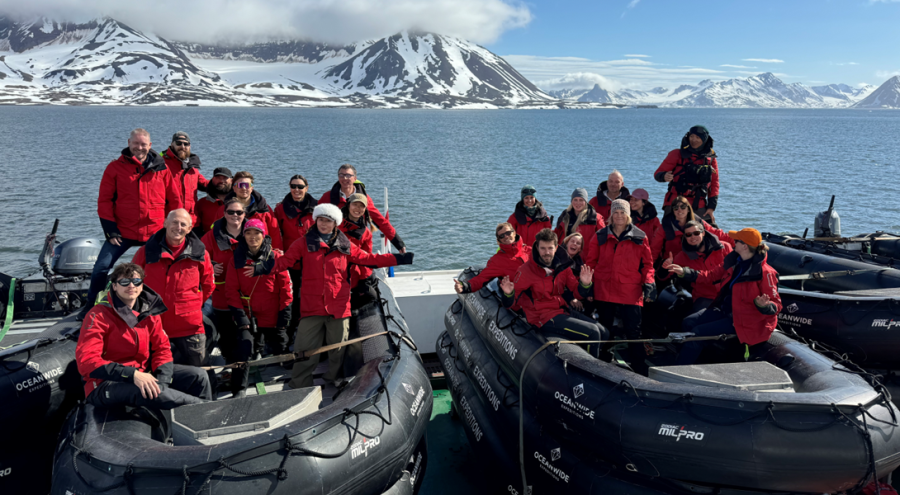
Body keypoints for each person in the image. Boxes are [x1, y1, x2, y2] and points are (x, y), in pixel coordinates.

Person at [246, 203, 414, 389]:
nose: (323, 224)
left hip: (339, 307)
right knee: (304, 349)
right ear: (315, 220)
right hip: (312, 306)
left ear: (335, 223)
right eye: (320, 220)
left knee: (338, 350)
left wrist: (400, 259)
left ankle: (332, 379)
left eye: (328, 221)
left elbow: (369, 260)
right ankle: (300, 384)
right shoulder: (303, 242)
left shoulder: (345, 245)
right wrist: (261, 268)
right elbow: (285, 262)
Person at [76, 263, 211, 409]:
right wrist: (132, 374)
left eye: (136, 281)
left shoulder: (148, 312)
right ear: (114, 286)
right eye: (124, 282)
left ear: (141, 285)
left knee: (198, 376)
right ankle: (211, 410)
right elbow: (87, 362)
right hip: (105, 383)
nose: (131, 286)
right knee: (155, 393)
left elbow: (162, 349)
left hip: (143, 373)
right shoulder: (98, 315)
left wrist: (163, 381)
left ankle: (206, 424)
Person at [81, 128, 181, 319]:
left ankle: (159, 305)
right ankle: (90, 307)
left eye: (143, 144)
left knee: (163, 269)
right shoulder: (114, 168)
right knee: (101, 268)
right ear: (129, 143)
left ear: (150, 145)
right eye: (136, 143)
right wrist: (110, 230)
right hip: (122, 232)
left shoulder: (162, 169)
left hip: (154, 232)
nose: (139, 147)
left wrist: (172, 227)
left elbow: (174, 201)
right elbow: (104, 201)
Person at [665, 228, 782, 365]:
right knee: (688, 322)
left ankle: (680, 368)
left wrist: (764, 306)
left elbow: (776, 305)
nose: (733, 242)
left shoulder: (766, 273)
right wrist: (684, 271)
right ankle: (694, 358)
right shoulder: (733, 262)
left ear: (744, 246)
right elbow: (710, 275)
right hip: (726, 312)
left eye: (736, 241)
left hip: (744, 320)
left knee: (697, 333)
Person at [499, 228, 606, 358]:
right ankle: (593, 370)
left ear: (556, 247)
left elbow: (577, 293)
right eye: (543, 248)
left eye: (550, 248)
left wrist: (585, 284)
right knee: (593, 333)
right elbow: (510, 303)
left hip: (561, 310)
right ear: (537, 248)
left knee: (603, 332)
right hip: (542, 317)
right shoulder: (526, 271)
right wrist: (508, 294)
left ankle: (601, 363)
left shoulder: (562, 266)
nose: (547, 253)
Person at [131, 209, 215, 367]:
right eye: (174, 222)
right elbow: (132, 282)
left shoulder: (200, 254)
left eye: (183, 224)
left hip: (189, 326)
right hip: (153, 324)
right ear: (165, 223)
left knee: (201, 369)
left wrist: (192, 305)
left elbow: (208, 285)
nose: (178, 227)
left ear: (190, 229)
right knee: (152, 369)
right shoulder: (145, 252)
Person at [582, 200, 655, 371]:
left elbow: (648, 265)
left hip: (630, 291)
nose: (619, 216)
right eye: (616, 212)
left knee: (633, 331)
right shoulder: (600, 235)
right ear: (611, 215)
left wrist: (649, 282)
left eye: (623, 212)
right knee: (606, 329)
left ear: (628, 214)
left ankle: (639, 368)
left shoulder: (640, 236)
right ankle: (604, 363)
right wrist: (588, 287)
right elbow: (591, 262)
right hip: (604, 289)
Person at [225, 219, 293, 396]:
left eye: (257, 233)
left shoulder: (276, 257)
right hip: (250, 316)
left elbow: (286, 289)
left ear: (264, 236)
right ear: (243, 235)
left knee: (281, 347)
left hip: (273, 315)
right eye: (248, 233)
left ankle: (291, 375)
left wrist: (283, 320)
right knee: (244, 348)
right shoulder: (236, 259)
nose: (253, 237)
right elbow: (231, 290)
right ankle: (239, 388)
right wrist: (241, 319)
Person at [201, 198, 245, 392]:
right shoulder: (211, 236)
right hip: (221, 296)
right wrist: (210, 266)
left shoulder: (253, 231)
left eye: (239, 212)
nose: (235, 216)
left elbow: (265, 253)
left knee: (245, 339)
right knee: (226, 339)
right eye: (231, 212)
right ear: (224, 214)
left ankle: (241, 380)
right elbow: (198, 259)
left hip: (246, 296)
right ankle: (229, 364)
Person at [319, 164, 406, 254]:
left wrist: (398, 243)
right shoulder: (328, 197)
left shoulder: (364, 199)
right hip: (334, 246)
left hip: (359, 246)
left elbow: (380, 221)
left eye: (348, 175)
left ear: (355, 178)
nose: (344, 178)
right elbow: (314, 220)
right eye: (341, 175)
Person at [275, 174, 318, 332]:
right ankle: (291, 328)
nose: (296, 189)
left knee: (308, 296)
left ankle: (307, 327)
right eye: (293, 186)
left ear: (307, 188)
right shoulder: (280, 209)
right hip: (290, 262)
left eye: (300, 186)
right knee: (290, 297)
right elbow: (276, 233)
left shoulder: (317, 208)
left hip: (311, 261)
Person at [654, 125, 719, 225]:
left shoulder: (710, 159)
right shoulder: (676, 154)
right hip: (675, 202)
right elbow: (657, 174)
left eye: (698, 137)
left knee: (711, 232)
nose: (694, 140)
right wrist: (664, 176)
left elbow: (714, 184)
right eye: (692, 136)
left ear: (705, 139)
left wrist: (711, 207)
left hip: (698, 203)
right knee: (670, 234)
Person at [662, 221, 733, 312]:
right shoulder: (681, 257)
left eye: (696, 233)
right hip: (704, 297)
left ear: (703, 233)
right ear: (685, 237)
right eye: (688, 234)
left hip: (727, 294)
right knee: (693, 322)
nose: (693, 237)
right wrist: (665, 265)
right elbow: (663, 277)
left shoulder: (724, 247)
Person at [651, 195, 732, 265]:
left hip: (695, 261)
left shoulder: (698, 222)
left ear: (688, 209)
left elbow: (717, 233)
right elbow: (654, 250)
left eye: (683, 207)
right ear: (673, 210)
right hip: (672, 262)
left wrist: (738, 239)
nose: (679, 210)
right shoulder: (664, 227)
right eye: (676, 208)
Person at [454, 222, 529, 294]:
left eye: (508, 233)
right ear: (499, 240)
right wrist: (464, 286)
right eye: (502, 236)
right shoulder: (497, 261)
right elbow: (482, 278)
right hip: (519, 297)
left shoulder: (531, 251)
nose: (506, 236)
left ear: (514, 233)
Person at [219, 171, 283, 250]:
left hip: (262, 254)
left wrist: (277, 252)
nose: (244, 188)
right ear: (234, 188)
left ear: (252, 188)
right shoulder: (224, 209)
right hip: (233, 252)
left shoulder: (264, 208)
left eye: (247, 185)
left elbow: (275, 233)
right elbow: (216, 232)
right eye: (240, 185)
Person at [161, 132, 208, 228]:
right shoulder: (161, 164)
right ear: (171, 145)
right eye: (179, 143)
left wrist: (226, 182)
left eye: (186, 144)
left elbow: (205, 184)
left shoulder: (193, 167)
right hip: (170, 222)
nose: (182, 146)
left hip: (192, 223)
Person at [339, 193, 377, 292]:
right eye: (355, 204)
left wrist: (365, 278)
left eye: (361, 206)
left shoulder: (366, 232)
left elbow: (366, 257)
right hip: (334, 274)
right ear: (348, 205)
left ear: (365, 209)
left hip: (353, 277)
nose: (357, 208)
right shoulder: (335, 225)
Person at [555, 233, 587, 313]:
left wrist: (587, 287)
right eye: (572, 241)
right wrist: (570, 298)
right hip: (558, 298)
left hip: (572, 296)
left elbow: (576, 286)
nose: (574, 244)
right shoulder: (556, 258)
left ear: (580, 249)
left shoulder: (579, 265)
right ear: (566, 243)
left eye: (578, 243)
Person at [196, 167, 233, 236]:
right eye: (218, 177)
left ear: (231, 181)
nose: (221, 181)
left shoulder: (238, 202)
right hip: (209, 242)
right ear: (212, 179)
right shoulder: (201, 203)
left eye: (225, 178)